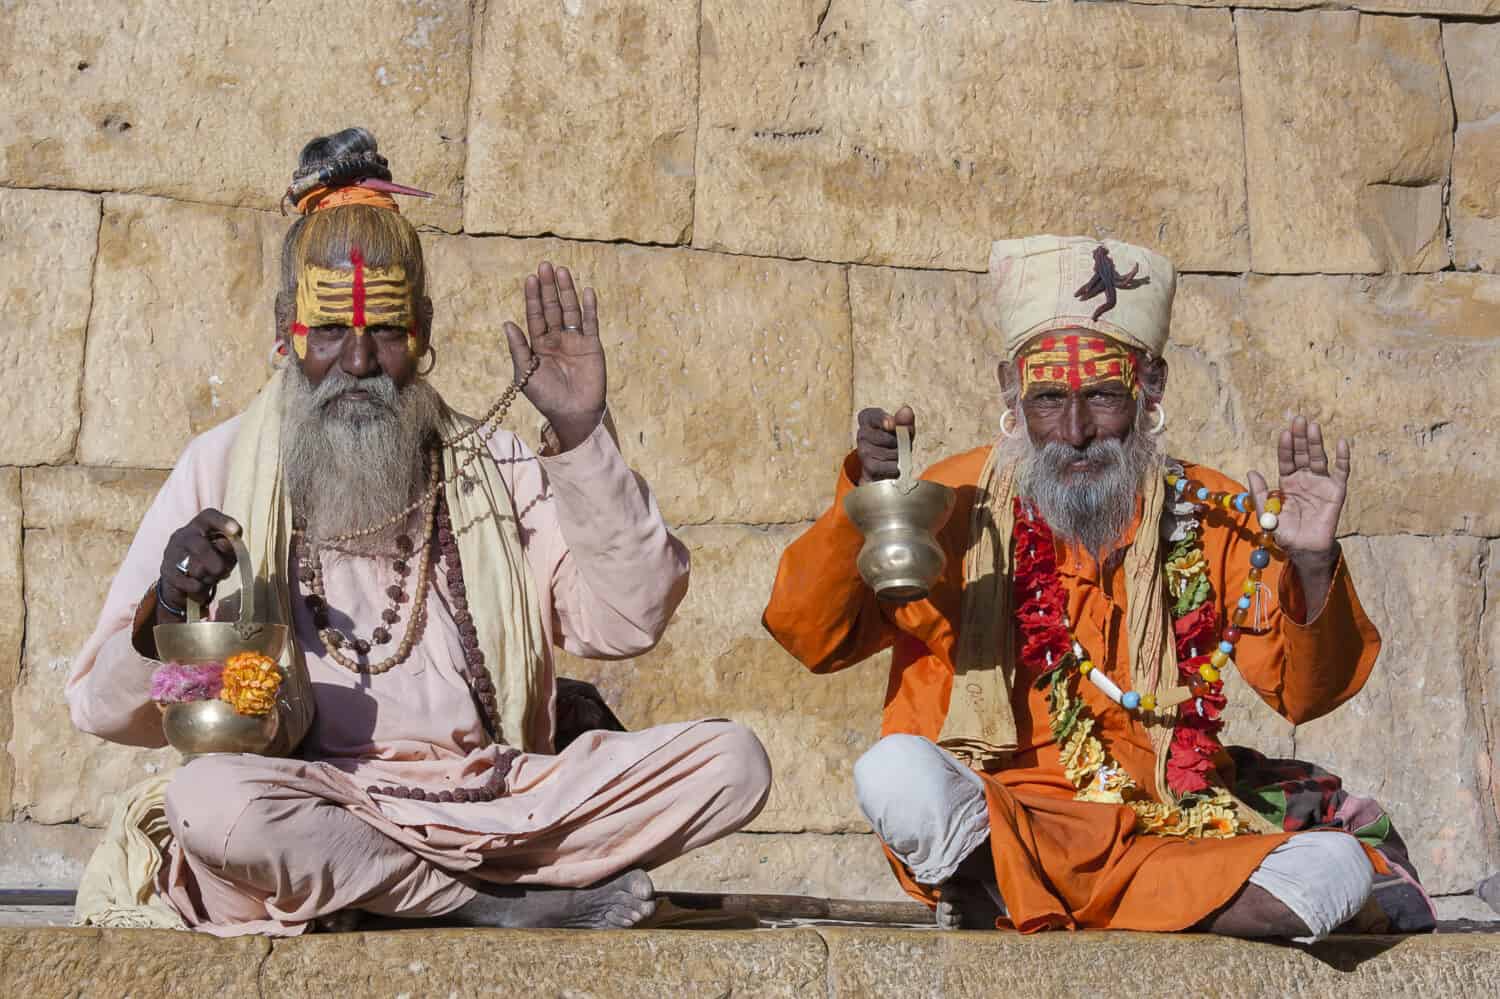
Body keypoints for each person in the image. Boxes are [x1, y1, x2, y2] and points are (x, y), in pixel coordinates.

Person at [68, 127, 770, 937]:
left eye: (388, 331)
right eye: (330, 330)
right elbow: (100, 706)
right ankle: (487, 904)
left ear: (425, 330)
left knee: (734, 763)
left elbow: (632, 616)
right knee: (210, 802)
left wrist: (581, 435)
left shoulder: (493, 462)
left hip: (500, 804)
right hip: (314, 800)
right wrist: (170, 605)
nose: (359, 361)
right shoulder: (221, 464)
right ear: (285, 326)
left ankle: (382, 890)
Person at [763, 235, 1430, 939]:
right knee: (895, 775)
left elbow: (1305, 692)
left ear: (1153, 389)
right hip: (997, 817)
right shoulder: (950, 502)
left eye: (1104, 396)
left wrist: (1312, 563)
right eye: (1049, 399)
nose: (1076, 432)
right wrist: (866, 503)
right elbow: (812, 636)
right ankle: (1086, 894)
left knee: (1334, 872)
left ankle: (1017, 897)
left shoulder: (1204, 511)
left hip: (1163, 829)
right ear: (1010, 394)